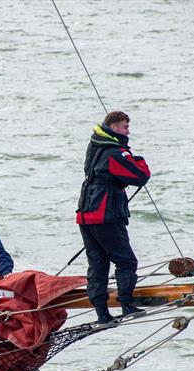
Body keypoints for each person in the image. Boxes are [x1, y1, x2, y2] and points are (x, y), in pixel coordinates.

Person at [75, 111, 151, 323]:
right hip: (105, 214)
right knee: (126, 261)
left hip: (86, 213)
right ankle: (127, 305)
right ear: (115, 127)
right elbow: (140, 176)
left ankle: (102, 314)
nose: (129, 131)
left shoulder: (95, 146)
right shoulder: (114, 153)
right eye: (125, 127)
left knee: (98, 263)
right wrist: (135, 157)